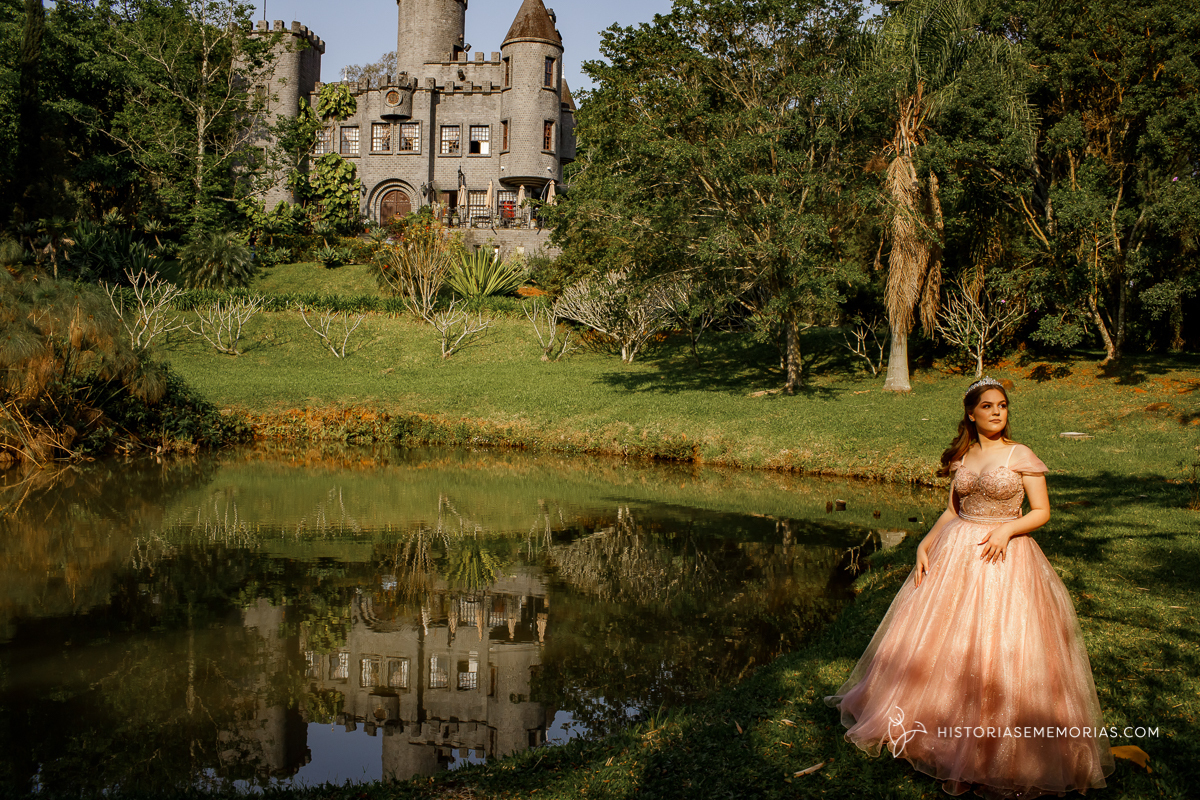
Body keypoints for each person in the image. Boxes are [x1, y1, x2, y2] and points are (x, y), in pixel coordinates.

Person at [825, 377, 1114, 798]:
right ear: (971, 413)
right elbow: (952, 510)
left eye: (1003, 405)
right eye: (988, 406)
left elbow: (1041, 511)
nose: (997, 412)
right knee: (946, 640)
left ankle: (998, 747)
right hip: (957, 551)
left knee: (1000, 643)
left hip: (1004, 555)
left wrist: (1008, 529)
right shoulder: (963, 457)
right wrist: (925, 542)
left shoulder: (1020, 454)